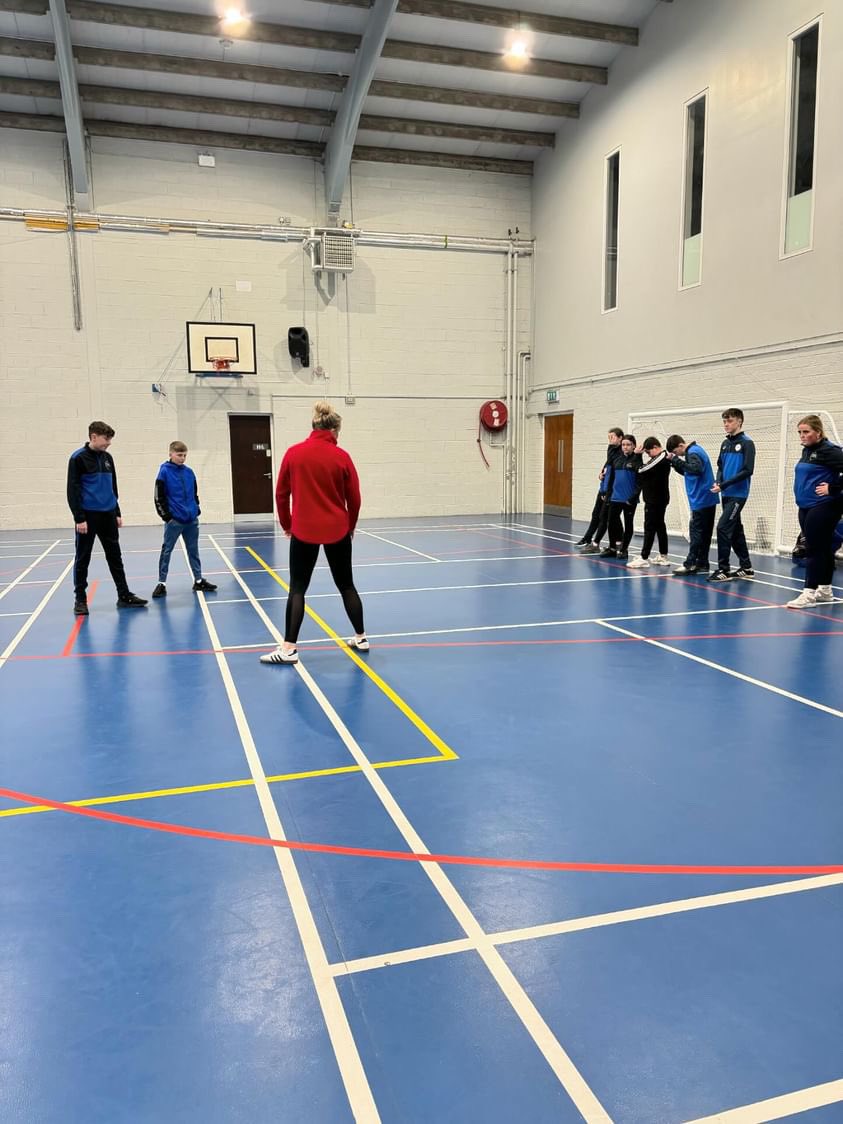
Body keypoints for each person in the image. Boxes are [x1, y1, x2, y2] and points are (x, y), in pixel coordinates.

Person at [260, 401, 367, 665]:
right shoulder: (342, 457)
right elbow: (355, 499)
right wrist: (350, 526)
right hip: (337, 529)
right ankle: (361, 637)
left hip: (304, 530)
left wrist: (287, 524)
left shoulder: (294, 453)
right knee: (346, 585)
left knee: (297, 588)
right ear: (334, 431)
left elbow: (281, 494)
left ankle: (289, 648)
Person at [67, 421, 148, 615]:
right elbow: (73, 490)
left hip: (108, 515)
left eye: (110, 439)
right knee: (82, 558)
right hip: (88, 516)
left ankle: (124, 595)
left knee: (115, 556)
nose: (109, 443)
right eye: (106, 439)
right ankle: (80, 599)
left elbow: (113, 487)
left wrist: (117, 511)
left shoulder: (108, 458)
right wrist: (79, 518)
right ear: (93, 436)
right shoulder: (78, 458)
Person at [786, 414, 843, 608]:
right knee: (824, 548)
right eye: (800, 432)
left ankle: (808, 594)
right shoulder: (807, 451)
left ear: (818, 432)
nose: (802, 436)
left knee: (812, 548)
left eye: (806, 432)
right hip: (806, 507)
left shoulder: (830, 451)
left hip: (824, 505)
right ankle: (825, 590)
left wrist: (833, 488)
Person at [151, 441, 217, 599]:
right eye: (179, 455)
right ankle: (161, 583)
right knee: (167, 550)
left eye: (184, 455)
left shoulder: (189, 472)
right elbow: (158, 497)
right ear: (171, 454)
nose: (182, 458)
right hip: (175, 520)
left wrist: (196, 509)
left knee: (193, 550)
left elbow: (194, 493)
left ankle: (198, 580)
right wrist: (167, 517)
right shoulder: (164, 472)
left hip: (191, 520)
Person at [709, 408, 756, 582]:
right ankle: (746, 567)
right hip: (726, 493)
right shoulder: (725, 443)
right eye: (724, 421)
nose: (726, 424)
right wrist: (718, 481)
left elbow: (747, 470)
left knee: (722, 527)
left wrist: (724, 484)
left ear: (739, 422)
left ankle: (723, 569)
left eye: (729, 421)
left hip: (738, 494)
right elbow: (720, 465)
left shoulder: (746, 443)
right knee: (735, 530)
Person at [665, 434, 718, 575]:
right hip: (707, 498)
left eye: (677, 452)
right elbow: (689, 471)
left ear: (681, 446)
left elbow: (696, 469)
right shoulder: (696, 450)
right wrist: (675, 464)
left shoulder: (693, 452)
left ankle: (690, 563)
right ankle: (702, 563)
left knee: (696, 533)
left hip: (701, 499)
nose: (678, 455)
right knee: (705, 534)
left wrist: (675, 459)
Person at [577, 427, 624, 551]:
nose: (610, 439)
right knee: (596, 514)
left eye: (612, 437)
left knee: (609, 517)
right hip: (604, 486)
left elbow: (615, 469)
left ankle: (615, 542)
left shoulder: (621, 452)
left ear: (620, 438)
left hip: (611, 489)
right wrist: (601, 473)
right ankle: (588, 538)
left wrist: (608, 488)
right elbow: (608, 464)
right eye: (608, 437)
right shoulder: (611, 449)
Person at [628, 437, 672, 568]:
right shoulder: (657, 459)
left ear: (655, 447)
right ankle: (663, 556)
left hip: (655, 499)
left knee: (649, 527)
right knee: (659, 526)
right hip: (656, 498)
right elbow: (643, 471)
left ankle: (644, 557)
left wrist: (636, 455)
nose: (647, 455)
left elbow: (640, 469)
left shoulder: (660, 457)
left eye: (648, 452)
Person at [601, 434, 641, 560]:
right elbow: (610, 476)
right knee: (611, 522)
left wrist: (633, 498)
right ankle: (613, 547)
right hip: (615, 497)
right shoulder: (617, 459)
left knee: (628, 524)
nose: (625, 447)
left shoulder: (637, 460)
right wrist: (607, 493)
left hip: (629, 500)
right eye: (623, 444)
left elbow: (640, 483)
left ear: (634, 446)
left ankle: (624, 550)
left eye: (628, 445)